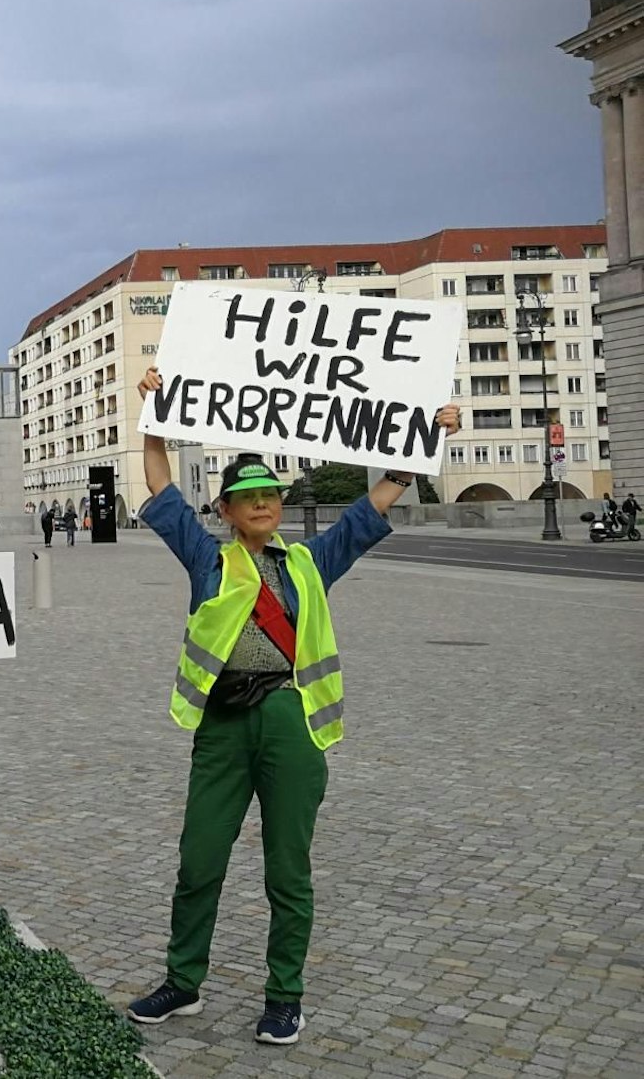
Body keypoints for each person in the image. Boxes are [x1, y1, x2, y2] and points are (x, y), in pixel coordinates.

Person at [125, 366, 460, 1047]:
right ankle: (183, 982)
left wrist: (428, 435)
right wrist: (155, 415)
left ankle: (285, 997)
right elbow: (159, 482)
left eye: (269, 494)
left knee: (288, 869)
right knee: (198, 860)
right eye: (247, 496)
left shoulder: (310, 562)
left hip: (290, 722)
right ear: (224, 510)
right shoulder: (208, 560)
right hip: (222, 726)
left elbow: (374, 504)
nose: (262, 503)